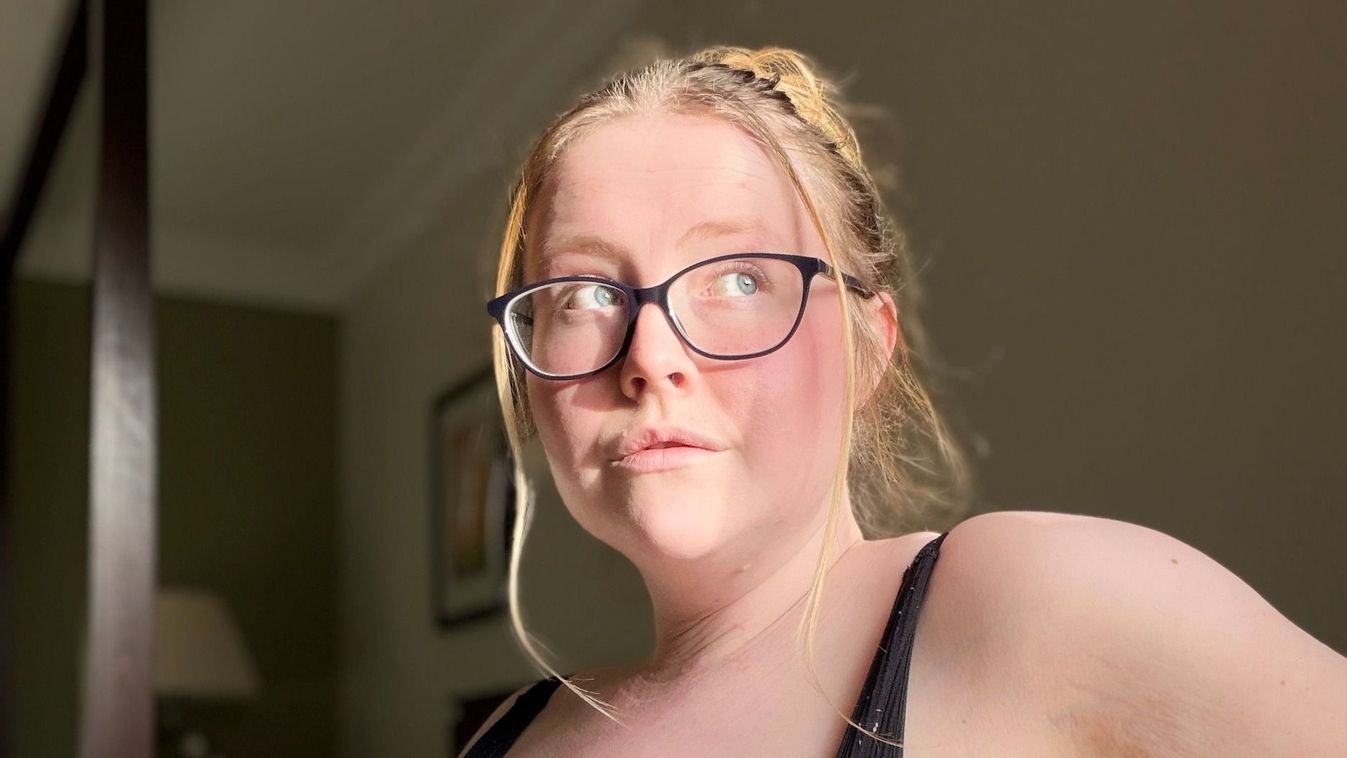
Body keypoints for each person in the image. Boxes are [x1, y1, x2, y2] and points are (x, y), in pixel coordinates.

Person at [463, 45, 1347, 757]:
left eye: (739, 279)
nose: (650, 359)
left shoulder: (1043, 609)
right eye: (583, 295)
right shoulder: (512, 735)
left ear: (867, 347)